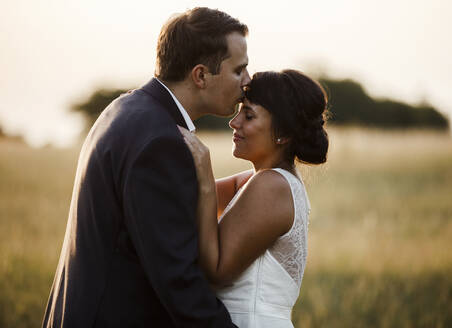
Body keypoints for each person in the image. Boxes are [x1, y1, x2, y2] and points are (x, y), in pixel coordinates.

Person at [42, 7, 250, 327]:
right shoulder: (161, 143)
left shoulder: (126, 109)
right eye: (239, 71)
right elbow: (177, 279)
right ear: (201, 75)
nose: (247, 83)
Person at [179, 69, 329, 327]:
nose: (234, 122)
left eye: (248, 115)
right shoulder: (256, 181)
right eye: (239, 110)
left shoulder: (272, 185)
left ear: (283, 134)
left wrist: (203, 169)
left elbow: (217, 272)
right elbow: (182, 196)